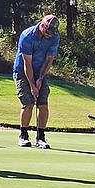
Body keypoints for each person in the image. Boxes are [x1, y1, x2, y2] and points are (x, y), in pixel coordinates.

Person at [14, 14, 60, 149]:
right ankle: (23, 136)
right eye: (47, 32)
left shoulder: (55, 37)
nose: (49, 36)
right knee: (28, 103)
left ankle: (41, 137)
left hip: (41, 70)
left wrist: (40, 79)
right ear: (42, 25)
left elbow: (49, 60)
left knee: (43, 104)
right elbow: (26, 63)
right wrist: (32, 85)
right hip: (22, 72)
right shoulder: (27, 36)